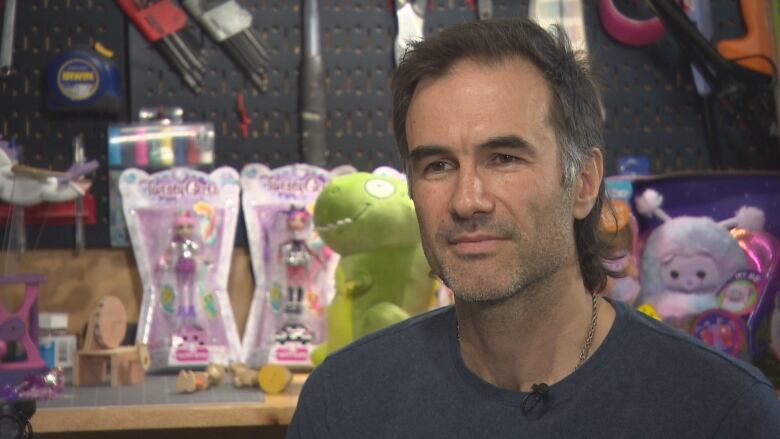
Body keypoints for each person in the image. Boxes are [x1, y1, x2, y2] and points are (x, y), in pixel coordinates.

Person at [287, 18, 780, 438]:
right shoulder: (345, 405)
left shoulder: (721, 412)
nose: (467, 200)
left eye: (504, 158)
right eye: (437, 165)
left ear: (584, 183)